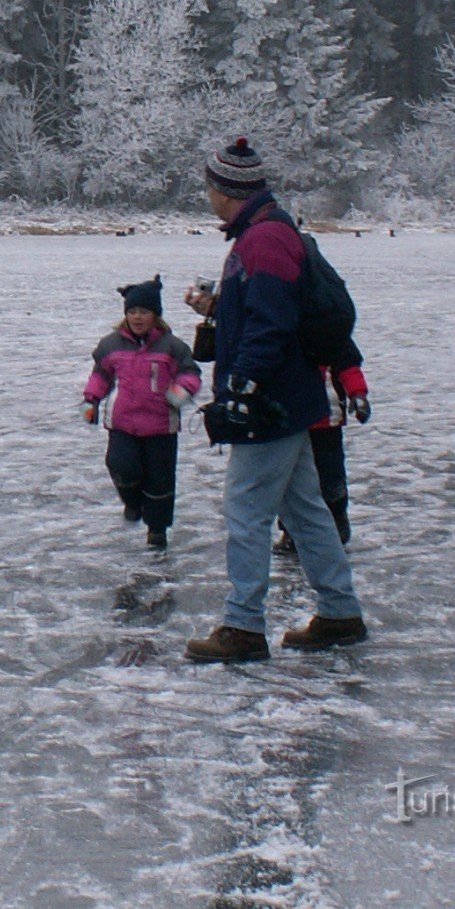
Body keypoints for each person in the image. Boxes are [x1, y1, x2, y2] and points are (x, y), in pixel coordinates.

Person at [181, 138, 366, 663]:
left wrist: (242, 387)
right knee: (306, 511)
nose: (208, 195)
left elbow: (273, 321)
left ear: (226, 190)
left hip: (274, 404)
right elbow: (267, 310)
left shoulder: (263, 241)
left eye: (211, 186)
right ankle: (340, 612)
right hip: (293, 396)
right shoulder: (265, 234)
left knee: (245, 512)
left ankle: (243, 626)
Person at [82, 277, 202, 550]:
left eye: (144, 312)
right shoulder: (111, 345)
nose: (137, 317)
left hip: (161, 425)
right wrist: (91, 400)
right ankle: (133, 503)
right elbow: (101, 376)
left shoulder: (172, 347)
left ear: (155, 316)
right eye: (133, 312)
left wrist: (182, 390)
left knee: (160, 482)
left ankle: (157, 531)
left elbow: (190, 373)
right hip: (123, 422)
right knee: (120, 466)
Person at [276, 352, 370, 554]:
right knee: (290, 479)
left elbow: (347, 363)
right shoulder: (279, 329)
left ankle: (337, 522)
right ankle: (291, 531)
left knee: (330, 475)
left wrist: (358, 393)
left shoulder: (328, 332)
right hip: (288, 418)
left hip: (326, 420)